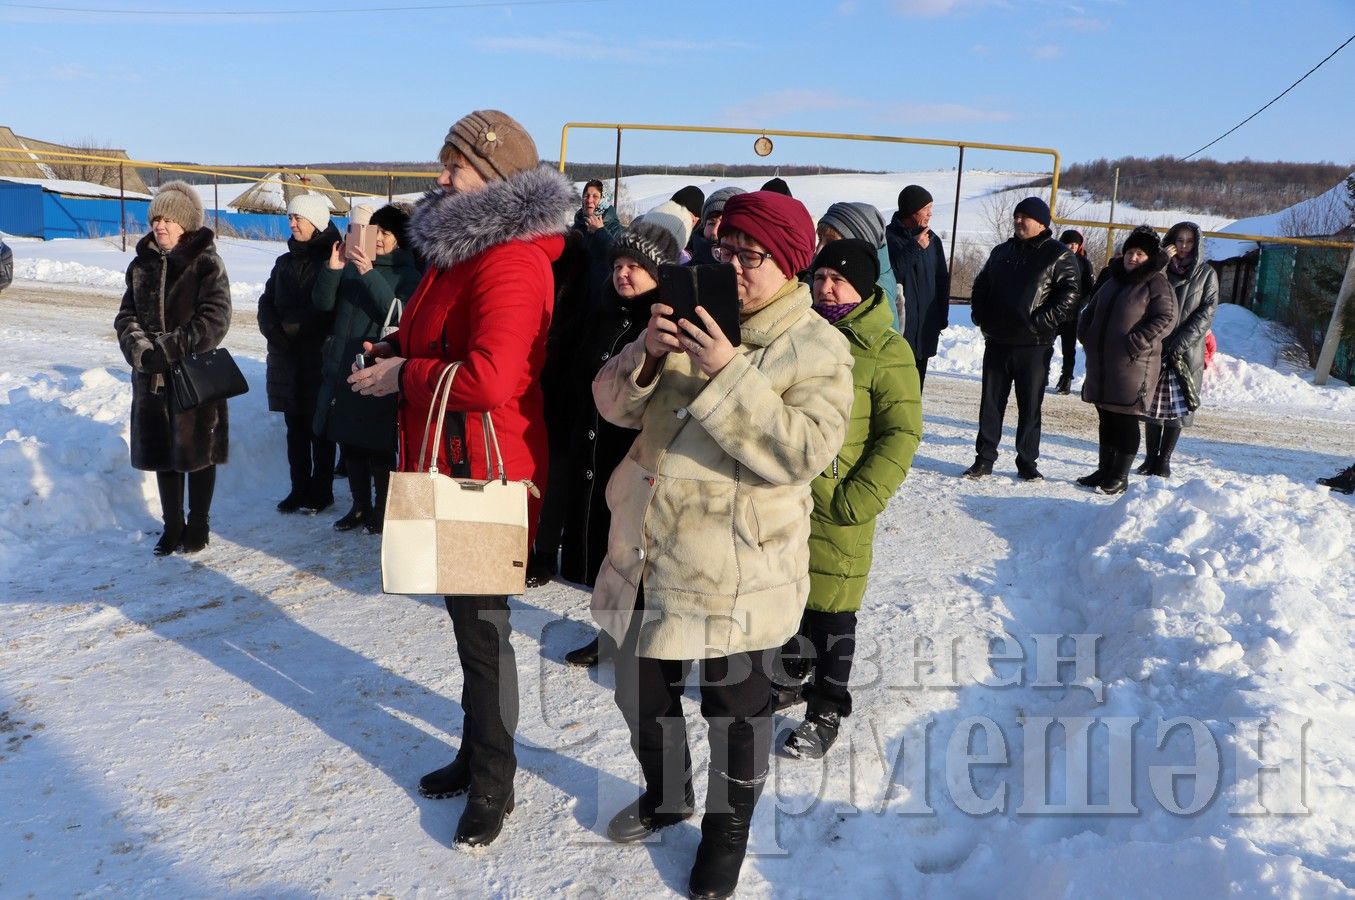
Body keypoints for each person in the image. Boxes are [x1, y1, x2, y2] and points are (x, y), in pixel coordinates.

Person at [591, 190, 853, 899]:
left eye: (751, 256)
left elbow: (801, 451)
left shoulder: (818, 347)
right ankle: (667, 792)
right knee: (638, 691)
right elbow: (610, 406)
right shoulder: (685, 313)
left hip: (739, 567)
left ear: (791, 264)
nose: (732, 266)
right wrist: (645, 354)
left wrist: (728, 370)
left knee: (736, 714)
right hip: (647, 548)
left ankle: (724, 835)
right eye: (724, 249)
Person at [347, 109, 572, 848]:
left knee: (483, 633)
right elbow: (434, 337)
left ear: (498, 179)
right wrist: (390, 345)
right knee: (465, 626)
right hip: (445, 459)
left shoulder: (510, 261)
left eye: (455, 166)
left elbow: (489, 378)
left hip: (484, 469)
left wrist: (402, 376)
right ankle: (476, 751)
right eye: (443, 163)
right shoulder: (456, 254)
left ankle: (494, 782)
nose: (440, 177)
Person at [773, 239, 921, 758]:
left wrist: (859, 497)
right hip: (791, 494)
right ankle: (792, 676)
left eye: (837, 280)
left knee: (834, 607)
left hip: (841, 501)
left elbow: (901, 433)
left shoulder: (886, 350)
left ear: (863, 287)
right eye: (819, 278)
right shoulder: (800, 334)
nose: (825, 287)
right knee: (791, 595)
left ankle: (827, 707)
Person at [558, 207, 693, 668]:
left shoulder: (669, 328)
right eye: (617, 265)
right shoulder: (604, 313)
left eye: (635, 267)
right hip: (596, 448)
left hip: (638, 455)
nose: (623, 273)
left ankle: (651, 642)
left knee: (643, 554)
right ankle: (612, 634)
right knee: (612, 552)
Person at [113, 181, 230, 555]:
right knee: (164, 453)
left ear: (184, 224)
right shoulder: (140, 264)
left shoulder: (205, 262)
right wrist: (143, 352)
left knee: (198, 452)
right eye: (155, 219)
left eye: (168, 219)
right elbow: (125, 316)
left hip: (194, 375)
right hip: (151, 378)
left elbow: (215, 318)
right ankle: (172, 524)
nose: (159, 226)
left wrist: (171, 348)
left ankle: (198, 524)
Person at [312, 204, 421, 533]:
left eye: (385, 233)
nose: (378, 238)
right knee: (351, 442)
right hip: (346, 364)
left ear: (398, 239)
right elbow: (322, 305)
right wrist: (333, 269)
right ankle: (359, 507)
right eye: (376, 231)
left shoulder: (408, 274)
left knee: (378, 447)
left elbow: (397, 313)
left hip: (379, 367)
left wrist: (368, 272)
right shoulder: (352, 266)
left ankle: (381, 511)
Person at [964, 196, 1080, 480]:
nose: (1018, 221)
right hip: (998, 341)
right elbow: (981, 285)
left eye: (1023, 216)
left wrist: (1042, 321)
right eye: (1016, 216)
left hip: (1034, 345)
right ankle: (984, 458)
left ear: (1041, 222)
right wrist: (981, 315)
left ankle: (1027, 462)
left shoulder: (1058, 254)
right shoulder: (1001, 251)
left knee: (1030, 406)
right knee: (990, 404)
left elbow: (1071, 293)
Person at [1076, 225, 1177, 494]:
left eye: (1140, 253)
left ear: (1151, 257)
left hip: (1133, 364)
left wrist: (1136, 342)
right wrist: (1085, 333)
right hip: (1102, 363)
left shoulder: (1156, 282)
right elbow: (1090, 310)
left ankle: (1119, 476)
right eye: (1130, 251)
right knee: (1106, 416)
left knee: (1125, 418)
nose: (1133, 257)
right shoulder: (1114, 280)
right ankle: (1104, 469)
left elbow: (1166, 318)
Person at [258, 193, 342, 513]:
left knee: (319, 428)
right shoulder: (284, 262)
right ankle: (298, 488)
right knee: (295, 428)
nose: (292, 223)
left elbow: (325, 308)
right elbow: (266, 301)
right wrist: (272, 329)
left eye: (298, 218)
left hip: (318, 357)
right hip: (286, 357)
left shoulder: (332, 259)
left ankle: (322, 491)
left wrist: (290, 329)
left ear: (317, 222)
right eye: (290, 218)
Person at [1139, 221, 1219, 476]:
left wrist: (1180, 342)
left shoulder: (1206, 274)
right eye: (1179, 240)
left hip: (1185, 350)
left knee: (1177, 406)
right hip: (1157, 345)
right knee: (1152, 405)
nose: (1183, 247)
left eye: (1189, 241)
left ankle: (1164, 460)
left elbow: (1207, 312)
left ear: (1197, 245)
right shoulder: (1159, 270)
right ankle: (1150, 458)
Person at [885, 185, 950, 389]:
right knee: (894, 390)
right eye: (926, 208)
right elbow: (890, 275)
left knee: (915, 390)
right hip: (899, 330)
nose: (930, 213)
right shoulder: (888, 239)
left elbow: (941, 281)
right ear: (912, 210)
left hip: (924, 330)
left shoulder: (933, 241)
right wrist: (914, 248)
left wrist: (941, 317)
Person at [816, 201, 898, 330]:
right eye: (820, 239)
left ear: (861, 244)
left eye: (832, 242)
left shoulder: (877, 293)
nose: (818, 250)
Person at [1053, 229, 1095, 394]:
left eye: (1074, 244)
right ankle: (1040, 374)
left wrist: (1078, 305)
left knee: (1068, 347)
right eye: (1068, 243)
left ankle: (1066, 378)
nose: (1071, 247)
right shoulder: (1054, 259)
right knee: (1044, 343)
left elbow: (1089, 290)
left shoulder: (1084, 263)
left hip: (1072, 313)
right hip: (1054, 311)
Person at [690, 186, 744, 265]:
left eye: (723, 224)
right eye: (711, 223)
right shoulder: (686, 270)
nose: (714, 232)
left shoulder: (748, 273)